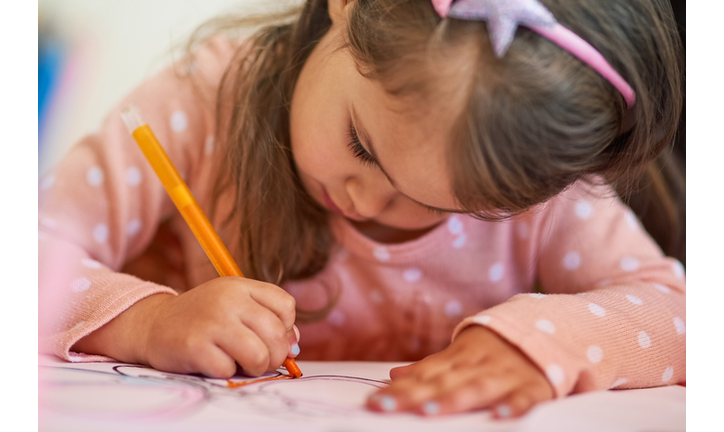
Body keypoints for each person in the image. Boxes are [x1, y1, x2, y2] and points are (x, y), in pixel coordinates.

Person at [38, 0, 685, 419]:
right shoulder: (203, 104)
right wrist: (151, 321)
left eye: (434, 205)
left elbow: (687, 318)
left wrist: (548, 342)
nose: (365, 200)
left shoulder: (538, 188)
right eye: (361, 145)